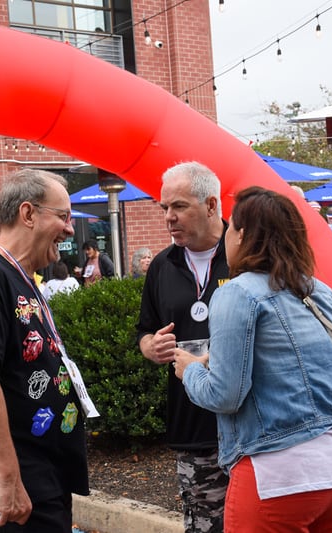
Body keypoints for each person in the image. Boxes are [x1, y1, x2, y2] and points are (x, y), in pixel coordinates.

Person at [173, 187, 332, 532]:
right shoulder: (321, 291)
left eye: (230, 228)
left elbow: (225, 396)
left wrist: (190, 372)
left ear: (243, 236)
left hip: (278, 475)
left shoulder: (236, 292)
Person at [0, 169, 93, 532]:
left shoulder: (21, 279)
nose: (70, 229)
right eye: (63, 216)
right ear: (28, 214)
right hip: (24, 482)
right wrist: (9, 480)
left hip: (44, 475)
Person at [137, 161, 229, 533]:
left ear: (210, 205)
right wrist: (151, 346)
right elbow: (144, 330)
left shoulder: (244, 256)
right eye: (164, 209)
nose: (169, 218)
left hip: (251, 425)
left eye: (179, 207)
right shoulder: (162, 266)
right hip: (194, 429)